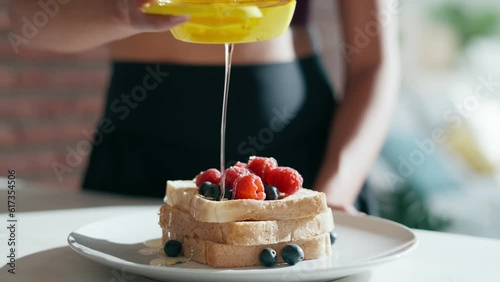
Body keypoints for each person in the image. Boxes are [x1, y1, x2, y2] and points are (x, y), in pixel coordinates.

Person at [9, 0, 399, 215]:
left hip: (294, 157)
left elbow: (374, 64)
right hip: (138, 150)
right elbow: (30, 19)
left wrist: (332, 195)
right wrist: (124, 10)